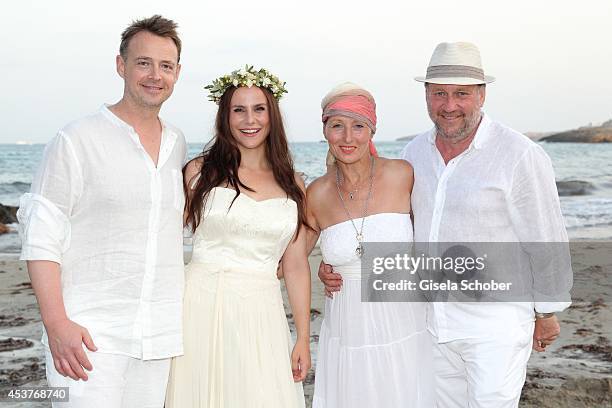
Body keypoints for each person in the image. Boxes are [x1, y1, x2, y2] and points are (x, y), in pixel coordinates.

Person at [320, 42, 573, 407]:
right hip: (428, 324)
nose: (449, 105)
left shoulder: (519, 155)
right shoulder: (413, 155)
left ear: (481, 95)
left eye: (461, 94)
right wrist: (336, 264)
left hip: (495, 325)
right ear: (426, 95)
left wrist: (546, 312)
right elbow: (392, 230)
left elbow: (545, 237)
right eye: (439, 93)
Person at [17, 15, 185, 408]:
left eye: (165, 65)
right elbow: (42, 236)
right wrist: (57, 324)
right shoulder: (76, 140)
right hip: (89, 339)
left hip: (158, 340)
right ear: (121, 65)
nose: (154, 75)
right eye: (143, 62)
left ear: (177, 73)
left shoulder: (177, 143)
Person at [164, 65, 311, 408]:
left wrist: (302, 337)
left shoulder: (293, 184)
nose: (250, 119)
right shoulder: (199, 172)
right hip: (199, 305)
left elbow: (296, 266)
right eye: (239, 110)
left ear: (272, 115)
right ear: (225, 116)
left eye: (259, 109)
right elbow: (164, 239)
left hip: (261, 312)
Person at [307, 83, 434, 408]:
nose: (348, 137)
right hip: (349, 326)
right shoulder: (316, 194)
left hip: (403, 320)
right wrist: (325, 267)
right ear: (325, 131)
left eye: (358, 126)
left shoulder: (403, 174)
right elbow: (291, 259)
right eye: (338, 125)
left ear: (372, 130)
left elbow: (434, 234)